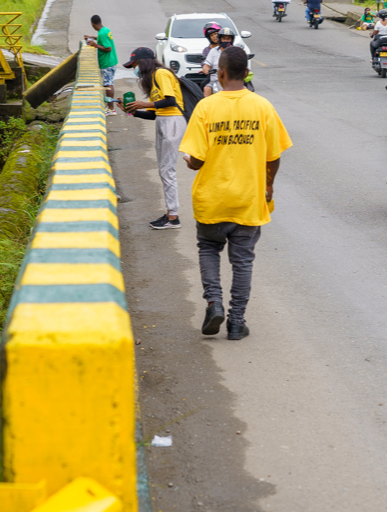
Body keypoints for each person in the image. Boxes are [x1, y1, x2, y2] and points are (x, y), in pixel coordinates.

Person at [180, 46, 292, 340]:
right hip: (247, 199)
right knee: (242, 261)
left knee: (208, 249)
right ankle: (236, 322)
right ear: (247, 74)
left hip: (212, 198)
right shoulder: (263, 107)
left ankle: (214, 302)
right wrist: (268, 185)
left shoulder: (206, 107)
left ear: (220, 73)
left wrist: (191, 162)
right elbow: (274, 155)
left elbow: (197, 160)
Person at [120, 47, 186, 229]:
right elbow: (152, 114)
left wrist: (144, 103)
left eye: (137, 64)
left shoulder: (161, 73)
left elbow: (170, 101)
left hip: (173, 120)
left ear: (146, 62)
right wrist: (133, 110)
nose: (136, 69)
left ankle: (173, 217)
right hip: (163, 121)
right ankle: (170, 213)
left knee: (167, 170)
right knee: (164, 169)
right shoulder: (151, 81)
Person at [85, 15, 118, 115]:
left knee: (108, 85)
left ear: (93, 24)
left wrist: (94, 45)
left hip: (107, 63)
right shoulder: (105, 30)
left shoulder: (102, 33)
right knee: (109, 83)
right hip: (112, 61)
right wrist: (92, 37)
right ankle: (110, 107)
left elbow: (108, 48)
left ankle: (111, 109)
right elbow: (103, 39)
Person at [201, 27, 239, 96]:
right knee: (206, 89)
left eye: (228, 39)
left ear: (231, 40)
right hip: (215, 81)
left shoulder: (235, 51)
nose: (226, 41)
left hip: (231, 81)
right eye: (224, 39)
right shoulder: (213, 51)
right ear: (220, 39)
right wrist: (206, 69)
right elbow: (206, 65)